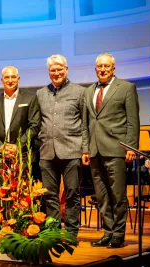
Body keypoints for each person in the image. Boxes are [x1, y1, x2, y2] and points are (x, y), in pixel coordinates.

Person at [82, 53, 140, 248]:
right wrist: (85, 149)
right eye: (99, 66)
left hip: (117, 149)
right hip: (94, 151)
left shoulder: (126, 88)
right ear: (95, 68)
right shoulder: (88, 91)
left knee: (118, 195)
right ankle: (107, 232)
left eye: (107, 66)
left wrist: (131, 147)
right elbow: (85, 123)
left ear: (113, 68)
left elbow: (133, 121)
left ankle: (118, 233)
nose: (103, 69)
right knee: (102, 196)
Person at [36, 55, 85, 237]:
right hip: (47, 151)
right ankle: (53, 230)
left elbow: (86, 123)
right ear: (49, 72)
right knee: (50, 194)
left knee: (72, 193)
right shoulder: (41, 94)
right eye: (52, 70)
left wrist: (85, 149)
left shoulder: (80, 92)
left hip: (72, 150)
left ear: (66, 69)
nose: (56, 73)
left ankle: (72, 232)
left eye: (59, 69)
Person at [0, 66, 39, 159]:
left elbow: (34, 126)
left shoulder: (30, 98)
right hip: (0, 154)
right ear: (2, 80)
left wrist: (18, 146)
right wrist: (1, 146)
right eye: (7, 77)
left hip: (23, 154)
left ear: (18, 79)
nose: (10, 80)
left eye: (13, 77)